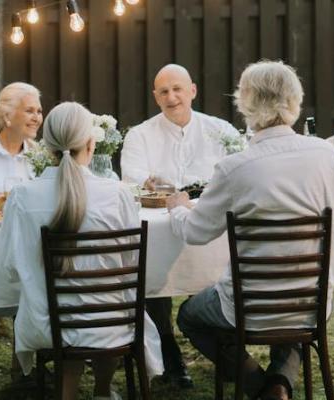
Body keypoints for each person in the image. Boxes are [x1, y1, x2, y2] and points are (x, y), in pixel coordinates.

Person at [166, 61, 334, 400]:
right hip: (312, 299)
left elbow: (196, 233)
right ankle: (279, 385)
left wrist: (177, 207)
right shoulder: (324, 153)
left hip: (247, 307)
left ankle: (257, 385)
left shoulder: (235, 168)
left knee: (189, 316)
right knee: (293, 312)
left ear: (245, 101)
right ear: (295, 100)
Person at [0, 102, 164, 400]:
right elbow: (132, 265)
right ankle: (103, 392)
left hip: (46, 323)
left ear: (45, 145)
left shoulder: (22, 195)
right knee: (111, 301)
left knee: (72, 310)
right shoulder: (117, 194)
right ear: (91, 143)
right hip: (112, 323)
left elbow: (10, 267)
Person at [121, 64, 240, 386]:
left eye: (177, 89)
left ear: (193, 90)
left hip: (211, 228)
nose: (172, 97)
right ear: (155, 97)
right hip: (160, 231)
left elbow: (236, 173)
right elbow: (135, 183)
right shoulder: (139, 135)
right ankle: (171, 359)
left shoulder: (222, 130)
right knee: (151, 276)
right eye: (164, 91)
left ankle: (231, 358)